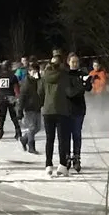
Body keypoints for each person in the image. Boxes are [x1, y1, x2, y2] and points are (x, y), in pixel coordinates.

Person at [39, 50, 71, 178]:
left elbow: (40, 92)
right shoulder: (64, 75)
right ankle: (62, 165)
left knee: (49, 139)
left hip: (47, 111)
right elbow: (69, 91)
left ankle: (48, 165)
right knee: (62, 139)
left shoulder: (44, 76)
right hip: (61, 110)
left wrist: (43, 103)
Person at [65, 52, 92, 173]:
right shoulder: (65, 76)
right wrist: (82, 85)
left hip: (79, 109)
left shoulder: (82, 74)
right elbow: (70, 92)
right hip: (66, 109)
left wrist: (87, 81)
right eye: (73, 62)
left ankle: (76, 157)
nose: (75, 64)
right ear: (68, 62)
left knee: (77, 134)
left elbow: (89, 88)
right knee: (66, 135)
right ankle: (66, 157)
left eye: (76, 62)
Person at [19, 60, 43, 156]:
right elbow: (22, 97)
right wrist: (20, 110)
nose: (35, 73)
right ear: (29, 72)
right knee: (32, 127)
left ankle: (24, 138)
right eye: (33, 71)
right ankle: (31, 147)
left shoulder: (39, 81)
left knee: (37, 128)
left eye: (36, 71)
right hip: (29, 108)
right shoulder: (26, 82)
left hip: (37, 107)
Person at [0, 60, 21, 142]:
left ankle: (0, 130)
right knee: (14, 115)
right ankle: (18, 130)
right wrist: (17, 97)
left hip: (2, 98)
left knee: (1, 116)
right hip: (11, 98)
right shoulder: (13, 76)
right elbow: (16, 89)